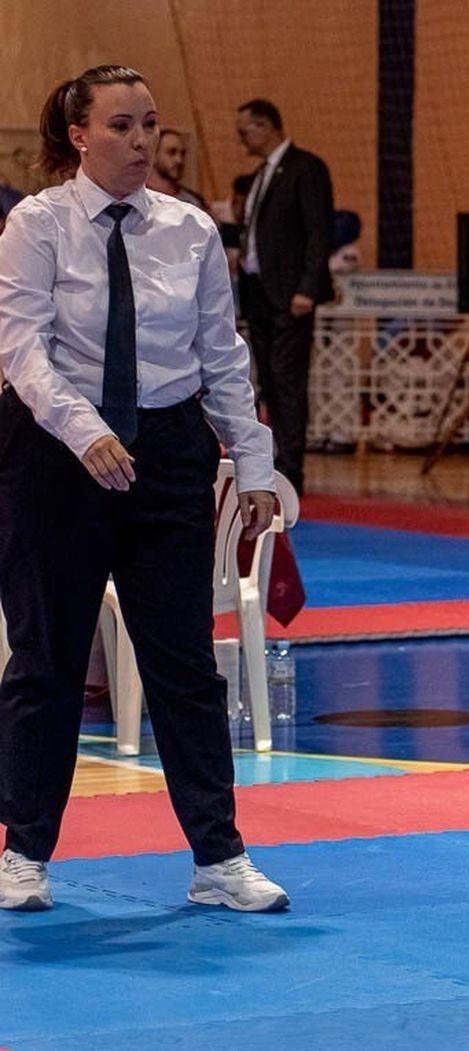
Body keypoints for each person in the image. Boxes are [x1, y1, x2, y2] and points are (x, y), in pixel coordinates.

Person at [0, 64, 287, 913]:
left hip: (165, 451)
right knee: (46, 659)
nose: (140, 141)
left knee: (185, 662)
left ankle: (218, 857)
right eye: (120, 125)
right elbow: (21, 347)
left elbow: (222, 354)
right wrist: (84, 431)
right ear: (79, 134)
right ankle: (25, 853)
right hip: (56, 449)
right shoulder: (37, 225)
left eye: (149, 125)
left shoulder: (191, 230)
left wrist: (257, 461)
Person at [235, 97, 333, 495]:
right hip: (259, 292)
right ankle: (276, 459)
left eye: (246, 132)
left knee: (288, 382)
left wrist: (307, 288)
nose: (243, 141)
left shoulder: (305, 169)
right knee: (271, 381)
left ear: (266, 126)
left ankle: (292, 468)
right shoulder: (261, 174)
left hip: (290, 294)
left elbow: (318, 231)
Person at [146, 128, 208, 213]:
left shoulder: (193, 202)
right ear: (153, 156)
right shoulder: (137, 199)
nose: (179, 160)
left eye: (182, 154)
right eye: (172, 152)